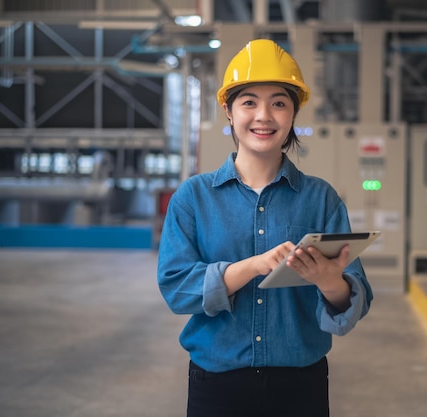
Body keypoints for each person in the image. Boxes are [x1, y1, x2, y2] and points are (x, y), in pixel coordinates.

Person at [157, 38, 373, 417]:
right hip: (217, 386)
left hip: (300, 386)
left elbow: (354, 298)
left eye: (278, 103)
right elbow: (177, 287)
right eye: (249, 102)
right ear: (228, 110)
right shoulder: (193, 198)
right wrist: (253, 266)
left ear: (292, 113)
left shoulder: (320, 199)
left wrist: (329, 282)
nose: (264, 116)